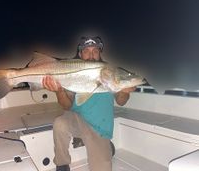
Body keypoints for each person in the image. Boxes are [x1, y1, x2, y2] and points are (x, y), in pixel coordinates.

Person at [42, 36, 136, 171]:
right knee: (60, 123)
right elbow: (66, 106)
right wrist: (59, 90)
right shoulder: (71, 72)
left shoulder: (110, 72)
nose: (91, 55)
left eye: (95, 51)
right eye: (87, 51)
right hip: (78, 120)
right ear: (80, 54)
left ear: (100, 54)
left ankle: (105, 145)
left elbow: (121, 101)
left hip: (100, 128)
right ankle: (62, 163)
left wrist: (125, 92)